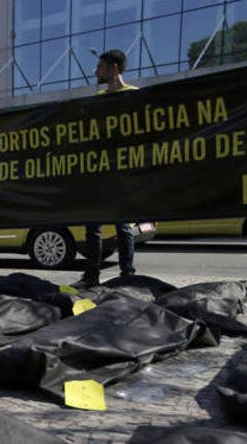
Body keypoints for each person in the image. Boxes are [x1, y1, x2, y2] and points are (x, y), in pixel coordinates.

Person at [73, 49, 138, 288]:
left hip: (122, 173)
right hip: (98, 173)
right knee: (93, 227)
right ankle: (92, 276)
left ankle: (127, 275)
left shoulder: (134, 96)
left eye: (100, 67)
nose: (96, 72)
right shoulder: (97, 99)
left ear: (113, 68)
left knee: (123, 227)